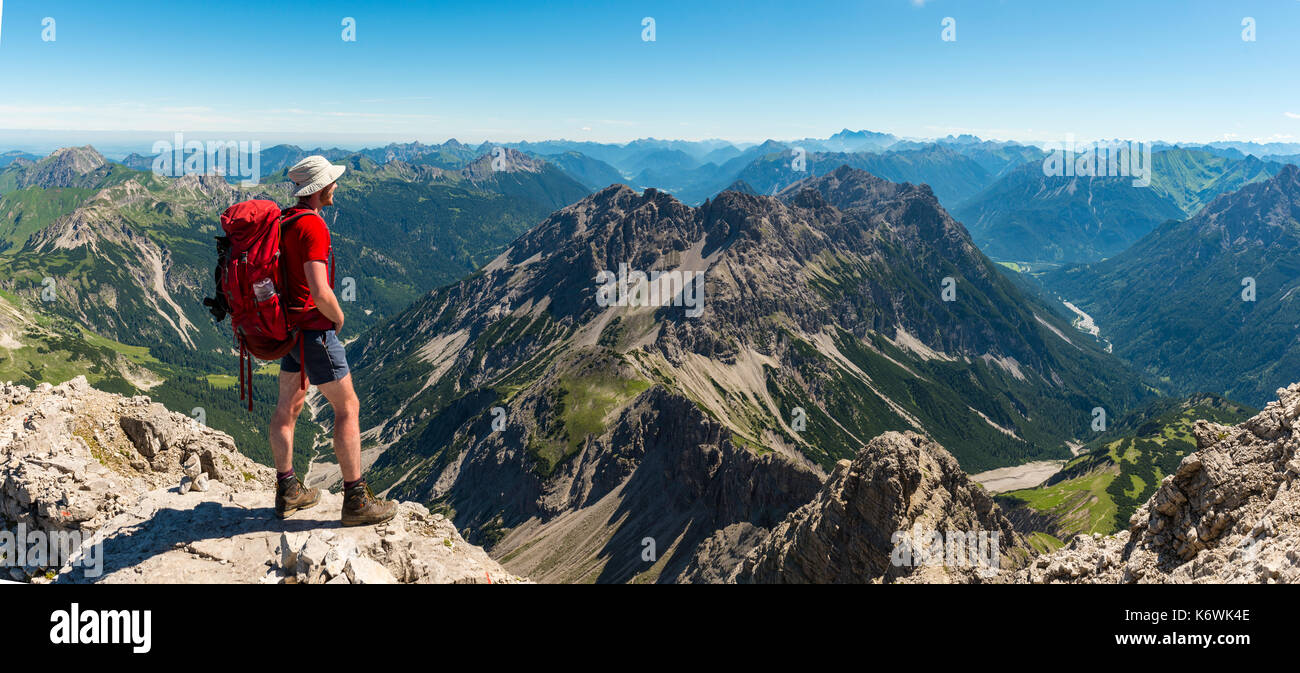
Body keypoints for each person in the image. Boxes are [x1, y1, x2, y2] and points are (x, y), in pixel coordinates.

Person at [270, 155, 395, 526]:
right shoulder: (313, 226)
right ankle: (355, 498)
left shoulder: (284, 221)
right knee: (348, 407)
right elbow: (320, 289)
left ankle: (287, 490)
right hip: (314, 331)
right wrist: (337, 317)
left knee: (287, 408)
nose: (336, 186)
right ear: (321, 188)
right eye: (333, 181)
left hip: (288, 331)